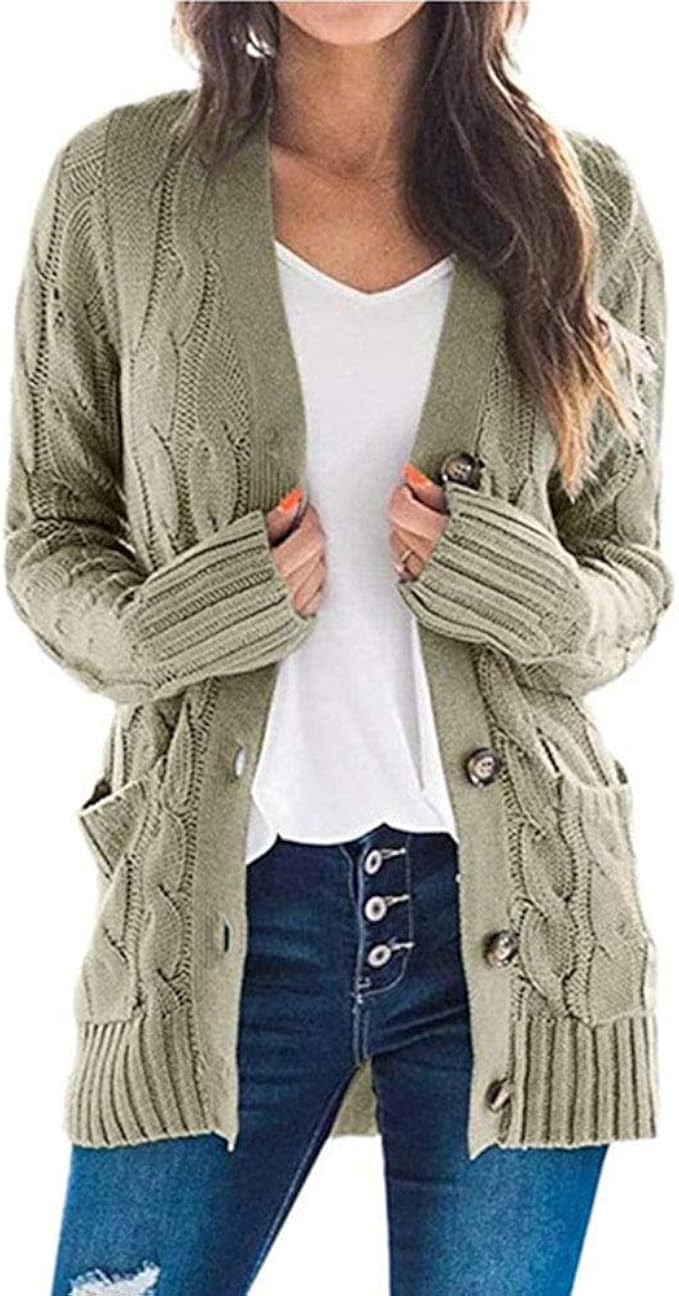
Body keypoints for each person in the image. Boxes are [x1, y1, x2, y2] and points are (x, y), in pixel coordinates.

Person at [4, 3, 672, 1293]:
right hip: (219, 916)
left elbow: (628, 570)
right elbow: (49, 536)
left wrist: (528, 594)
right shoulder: (117, 187)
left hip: (517, 926)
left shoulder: (584, 200)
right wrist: (174, 622)